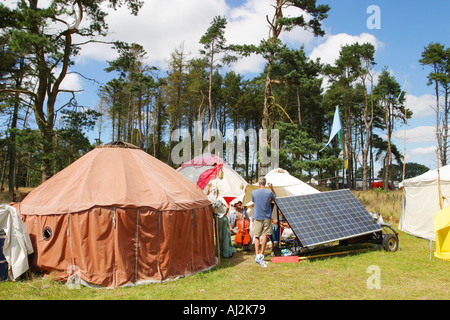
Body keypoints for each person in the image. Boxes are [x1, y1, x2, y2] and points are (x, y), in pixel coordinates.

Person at [251, 177, 276, 267]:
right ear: (265, 184)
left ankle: (257, 254)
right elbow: (274, 197)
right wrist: (272, 188)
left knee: (257, 235)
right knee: (265, 235)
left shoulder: (254, 192)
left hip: (257, 216)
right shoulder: (269, 193)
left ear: (259, 183)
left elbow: (254, 201)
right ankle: (262, 254)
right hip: (267, 216)